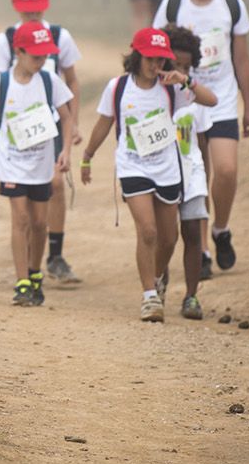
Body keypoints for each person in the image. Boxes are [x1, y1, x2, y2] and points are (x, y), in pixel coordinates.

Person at [80, 27, 215, 323]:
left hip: (167, 169)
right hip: (133, 167)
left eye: (161, 60)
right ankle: (149, 297)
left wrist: (185, 79)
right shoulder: (118, 88)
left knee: (169, 238)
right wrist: (88, 156)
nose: (156, 66)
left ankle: (155, 276)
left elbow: (211, 100)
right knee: (149, 231)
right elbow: (104, 123)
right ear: (137, 56)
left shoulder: (170, 88)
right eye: (151, 60)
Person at [155, 0, 249, 275]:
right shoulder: (171, 7)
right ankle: (204, 252)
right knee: (198, 175)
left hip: (222, 99)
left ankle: (221, 229)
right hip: (186, 105)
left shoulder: (231, 5)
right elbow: (154, 54)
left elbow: (241, 58)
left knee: (226, 171)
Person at [0, 0, 83, 284]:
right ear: (17, 8)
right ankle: (27, 263)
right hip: (17, 130)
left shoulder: (58, 36)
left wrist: (74, 122)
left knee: (55, 184)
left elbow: (73, 80)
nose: (33, 15)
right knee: (24, 206)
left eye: (37, 9)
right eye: (27, 11)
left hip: (50, 123)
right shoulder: (6, 40)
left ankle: (55, 254)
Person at [156, 25, 214, 320]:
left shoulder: (194, 92)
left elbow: (202, 139)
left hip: (191, 171)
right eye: (173, 64)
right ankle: (158, 284)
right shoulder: (149, 90)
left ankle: (191, 296)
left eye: (185, 66)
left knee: (192, 231)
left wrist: (205, 177)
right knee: (164, 236)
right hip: (157, 172)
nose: (178, 70)